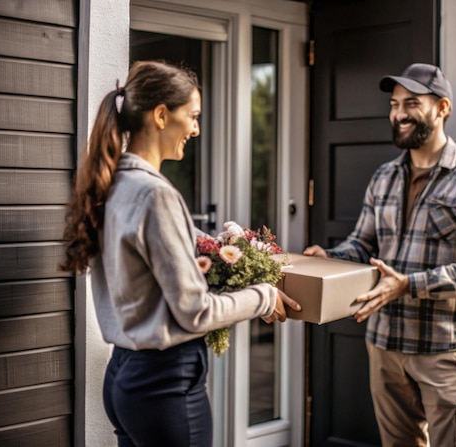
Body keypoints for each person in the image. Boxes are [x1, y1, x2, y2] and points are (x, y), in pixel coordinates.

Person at [59, 60, 300, 447]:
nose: (196, 129)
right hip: (163, 384)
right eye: (192, 116)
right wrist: (264, 296)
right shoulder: (155, 195)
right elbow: (195, 311)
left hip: (124, 375)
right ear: (160, 115)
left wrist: (229, 249)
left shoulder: (114, 184)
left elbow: (169, 250)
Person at [304, 63, 456, 447]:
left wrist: (409, 285)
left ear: (443, 107)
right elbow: (362, 245)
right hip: (384, 343)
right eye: (394, 104)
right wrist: (327, 257)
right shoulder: (383, 176)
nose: (398, 114)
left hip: (444, 350)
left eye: (411, 103)